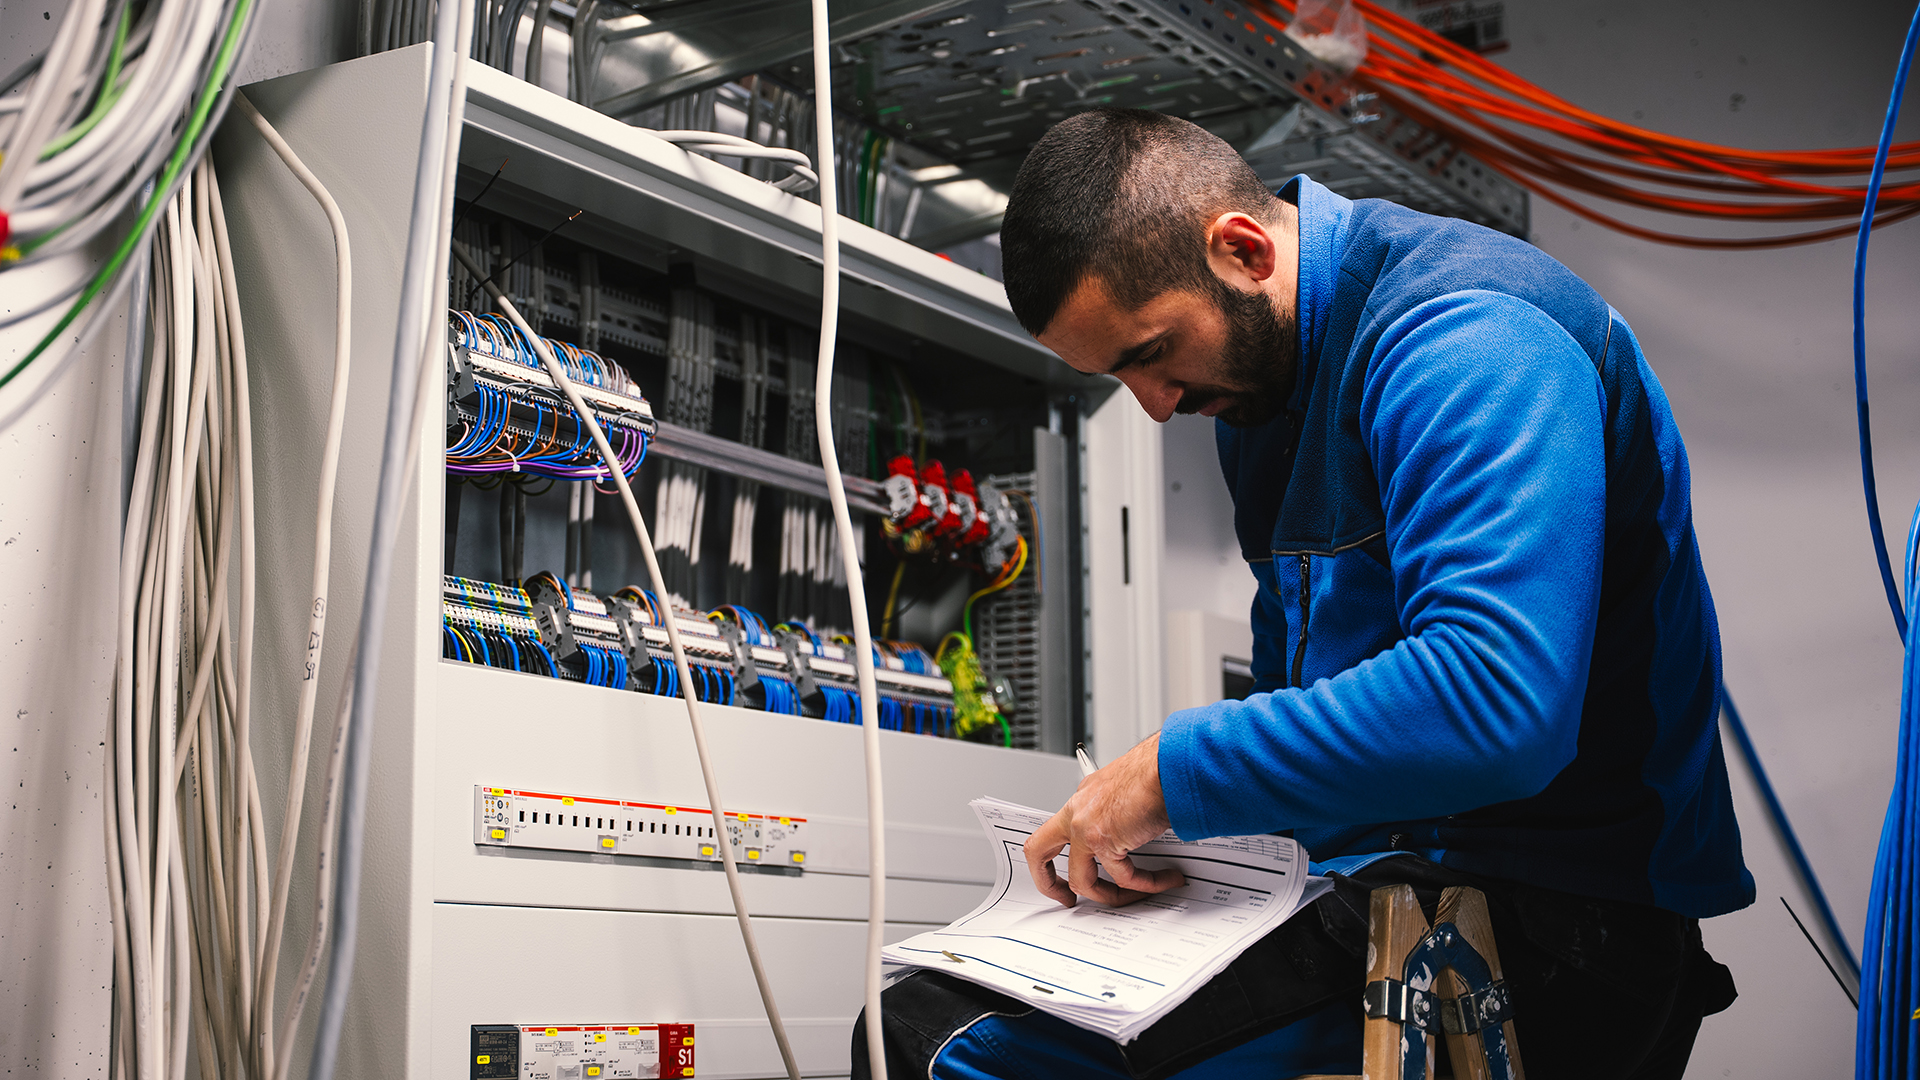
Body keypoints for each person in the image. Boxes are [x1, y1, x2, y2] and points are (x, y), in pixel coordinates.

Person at [853, 108, 1753, 1080]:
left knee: (933, 1047)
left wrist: (1167, 776)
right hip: (1380, 884)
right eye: (1118, 376)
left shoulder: (1467, 332)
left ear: (1241, 249)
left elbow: (1496, 702)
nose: (1154, 404)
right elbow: (1308, 697)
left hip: (1563, 921)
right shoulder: (1262, 398)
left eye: (1153, 352)